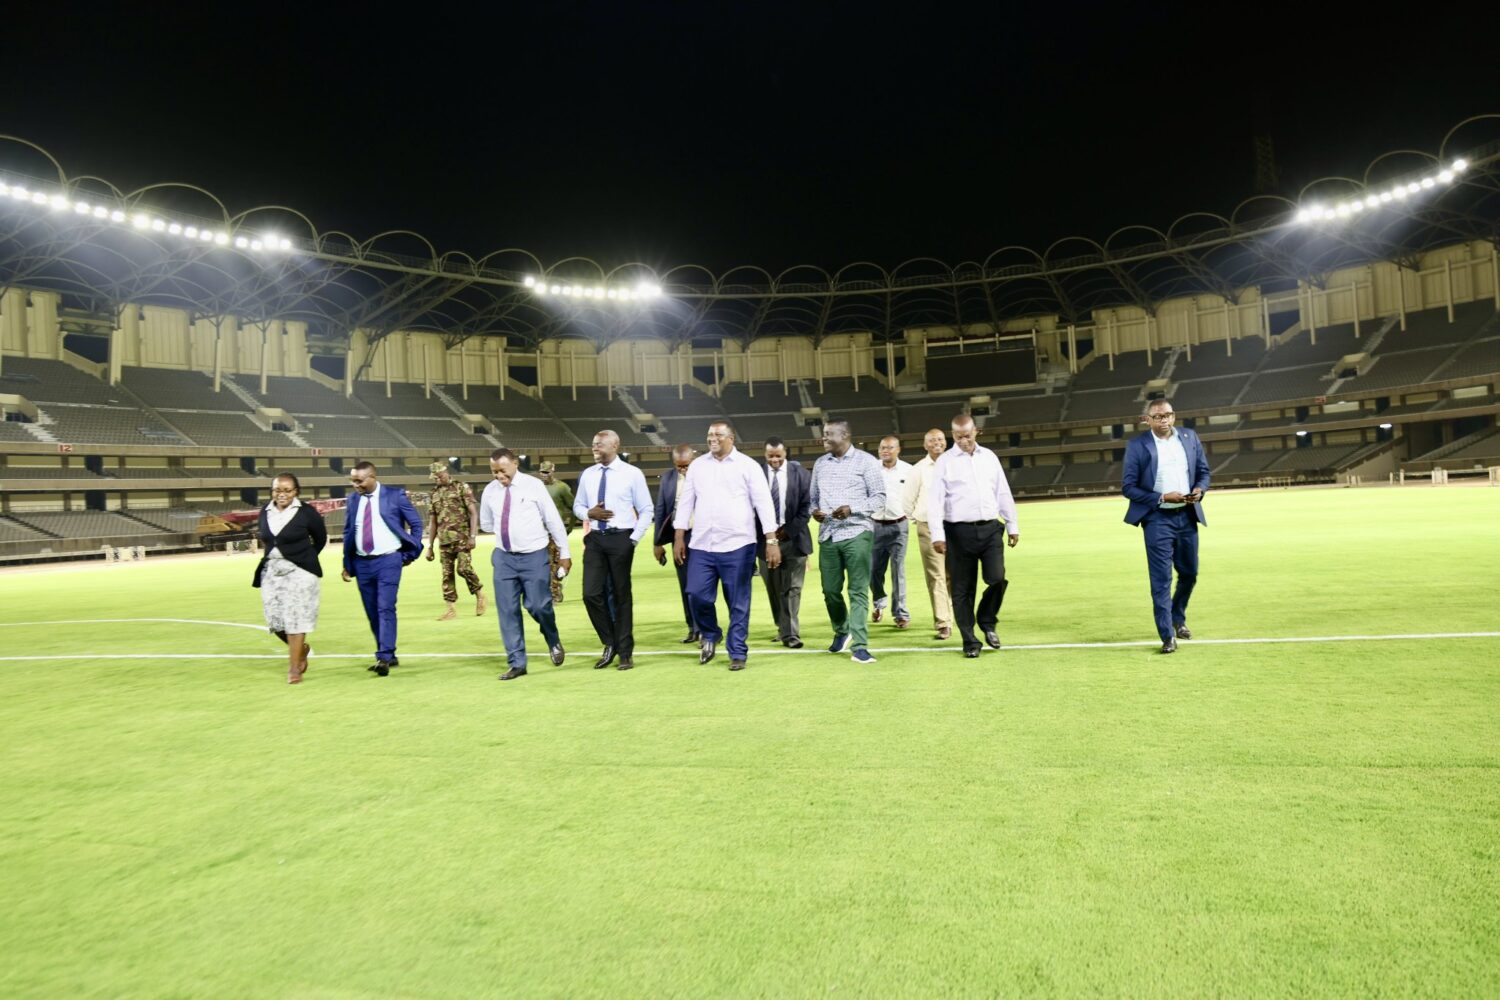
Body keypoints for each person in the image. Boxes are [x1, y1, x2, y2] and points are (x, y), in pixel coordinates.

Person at [672, 421, 780, 672]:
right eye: (709, 434)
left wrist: (771, 540)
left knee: (738, 602)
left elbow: (763, 504)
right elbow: (686, 502)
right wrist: (679, 536)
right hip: (701, 544)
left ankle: (738, 651)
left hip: (738, 544)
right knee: (696, 594)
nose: (712, 439)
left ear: (731, 438)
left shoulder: (748, 466)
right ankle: (711, 633)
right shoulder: (698, 466)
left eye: (718, 435)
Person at [1121, 399, 1211, 654]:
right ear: (1147, 419)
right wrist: (1161, 497)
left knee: (1190, 573)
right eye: (1158, 417)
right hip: (1157, 518)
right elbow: (1128, 487)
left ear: (1174, 416)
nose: (1164, 420)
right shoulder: (1138, 445)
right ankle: (1167, 634)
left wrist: (1199, 490)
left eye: (1168, 415)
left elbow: (1204, 472)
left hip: (1187, 515)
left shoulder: (1189, 437)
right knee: (1161, 579)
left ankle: (1177, 616)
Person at [928, 416, 1019, 659]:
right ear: (952, 434)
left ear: (976, 431)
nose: (963, 441)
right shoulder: (945, 462)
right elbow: (935, 500)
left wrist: (1012, 525)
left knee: (997, 578)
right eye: (958, 437)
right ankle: (970, 640)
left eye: (967, 435)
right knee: (962, 590)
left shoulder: (989, 457)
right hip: (958, 533)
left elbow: (1002, 491)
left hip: (990, 529)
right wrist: (938, 535)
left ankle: (987, 621)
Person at [479, 448, 570, 680]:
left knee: (538, 606)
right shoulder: (490, 491)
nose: (499, 476)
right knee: (507, 611)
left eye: (503, 470)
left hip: (534, 556)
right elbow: (487, 524)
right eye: (494, 472)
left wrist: (564, 553)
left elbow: (553, 520)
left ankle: (552, 638)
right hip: (504, 558)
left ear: (515, 464)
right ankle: (517, 662)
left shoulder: (533, 486)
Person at [573, 430, 653, 671]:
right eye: (593, 444)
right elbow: (578, 505)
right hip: (596, 538)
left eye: (599, 444)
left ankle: (625, 652)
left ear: (615, 445)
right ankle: (610, 641)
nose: (595, 448)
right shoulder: (588, 475)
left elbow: (647, 509)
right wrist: (588, 513)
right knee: (591, 594)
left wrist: (634, 539)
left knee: (621, 595)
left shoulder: (632, 474)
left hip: (621, 538)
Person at [809, 419, 886, 664]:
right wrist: (816, 511)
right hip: (828, 535)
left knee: (857, 591)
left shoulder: (867, 461)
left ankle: (860, 646)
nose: (823, 438)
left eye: (828, 434)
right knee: (830, 591)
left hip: (857, 533)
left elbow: (879, 498)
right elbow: (812, 500)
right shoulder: (820, 464)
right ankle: (842, 631)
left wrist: (852, 509)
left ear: (844, 435)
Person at [341, 461, 423, 676]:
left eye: (358, 481)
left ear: (372, 477)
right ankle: (389, 654)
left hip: (388, 561)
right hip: (362, 563)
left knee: (385, 607)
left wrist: (410, 552)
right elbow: (349, 532)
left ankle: (384, 657)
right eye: (352, 480)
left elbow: (416, 524)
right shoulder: (352, 500)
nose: (355, 485)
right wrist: (347, 564)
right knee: (372, 612)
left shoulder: (395, 496)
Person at [252, 474, 327, 684]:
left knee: (296, 619)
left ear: (296, 492)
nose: (282, 494)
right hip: (272, 572)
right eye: (277, 490)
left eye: (287, 490)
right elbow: (267, 540)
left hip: (301, 572)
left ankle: (294, 669)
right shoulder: (265, 511)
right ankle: (301, 650)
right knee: (275, 621)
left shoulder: (306, 512)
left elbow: (320, 538)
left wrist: (305, 558)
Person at [758, 437, 812, 648]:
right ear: (765, 455)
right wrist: (768, 534)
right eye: (770, 456)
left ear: (785, 454)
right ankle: (782, 627)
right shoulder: (756, 475)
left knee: (792, 588)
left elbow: (806, 507)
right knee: (773, 587)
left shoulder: (801, 474)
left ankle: (791, 635)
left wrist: (786, 531)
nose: (774, 460)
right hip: (764, 541)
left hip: (794, 539)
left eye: (778, 456)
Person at [902, 428, 953, 640]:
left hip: (954, 525)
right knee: (936, 574)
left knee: (954, 574)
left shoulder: (955, 464)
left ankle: (952, 613)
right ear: (925, 445)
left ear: (946, 442)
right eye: (931, 440)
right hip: (929, 526)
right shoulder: (919, 469)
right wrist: (918, 519)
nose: (936, 443)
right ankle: (943, 622)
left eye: (940, 439)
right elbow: (907, 500)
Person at [424, 461, 486, 620]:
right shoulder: (434, 494)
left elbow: (473, 513)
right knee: (447, 575)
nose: (436, 480)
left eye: (438, 476)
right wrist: (430, 546)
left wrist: (473, 536)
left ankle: (479, 594)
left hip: (462, 538)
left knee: (463, 568)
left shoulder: (461, 487)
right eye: (434, 478)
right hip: (444, 541)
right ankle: (450, 609)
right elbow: (433, 521)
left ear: (445, 472)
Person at [653, 444, 699, 644]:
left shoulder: (704, 476)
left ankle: (705, 627)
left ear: (693, 460)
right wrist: (658, 543)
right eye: (679, 466)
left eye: (686, 466)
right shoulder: (668, 479)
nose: (683, 470)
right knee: (685, 585)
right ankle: (692, 628)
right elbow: (661, 510)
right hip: (678, 538)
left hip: (702, 537)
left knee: (701, 585)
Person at [869, 435, 914, 630]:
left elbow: (916, 494)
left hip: (899, 526)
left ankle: (901, 614)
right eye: (882, 447)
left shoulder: (909, 470)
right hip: (874, 525)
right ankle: (879, 602)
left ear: (898, 449)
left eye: (889, 447)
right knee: (873, 571)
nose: (885, 450)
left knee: (898, 571)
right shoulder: (870, 470)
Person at [538, 461, 576, 602]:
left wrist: (569, 527)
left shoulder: (561, 488)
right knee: (543, 564)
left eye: (547, 472)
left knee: (555, 563)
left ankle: (554, 592)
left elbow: (574, 508)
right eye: (542, 472)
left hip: (556, 532)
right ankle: (553, 589)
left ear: (553, 471)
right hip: (539, 532)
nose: (544, 475)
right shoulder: (535, 488)